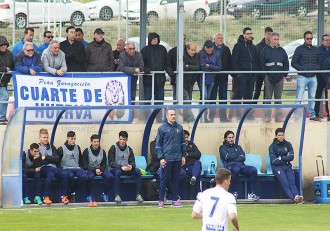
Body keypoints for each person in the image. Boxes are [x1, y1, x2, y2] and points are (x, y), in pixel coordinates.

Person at [156, 108, 186, 208]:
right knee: (164, 179)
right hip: (167, 158)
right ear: (167, 116)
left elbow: (182, 142)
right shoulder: (162, 128)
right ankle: (161, 200)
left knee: (175, 180)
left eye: (174, 114)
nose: (173, 116)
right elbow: (158, 145)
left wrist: (183, 155)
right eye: (171, 115)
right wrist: (161, 158)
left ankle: (175, 200)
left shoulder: (180, 128)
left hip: (177, 158)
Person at [219, 130, 259, 200]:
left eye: (232, 137)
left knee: (253, 170)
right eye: (229, 137)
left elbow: (243, 157)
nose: (231, 139)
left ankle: (251, 193)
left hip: (241, 165)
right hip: (230, 166)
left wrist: (233, 158)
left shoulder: (238, 147)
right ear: (225, 138)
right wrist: (237, 155)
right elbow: (226, 157)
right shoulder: (222, 148)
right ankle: (234, 193)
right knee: (236, 170)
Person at [259, 32, 289, 122]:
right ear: (270, 40)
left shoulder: (282, 51)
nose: (276, 41)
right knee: (267, 98)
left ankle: (278, 116)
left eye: (277, 39)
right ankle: (267, 116)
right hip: (269, 78)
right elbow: (261, 63)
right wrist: (265, 75)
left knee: (278, 98)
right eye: (274, 39)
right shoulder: (265, 50)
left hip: (279, 78)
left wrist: (284, 74)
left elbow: (286, 63)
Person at [269, 128, 304, 203]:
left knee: (292, 182)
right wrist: (286, 158)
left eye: (282, 135)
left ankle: (297, 196)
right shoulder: (272, 147)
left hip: (287, 166)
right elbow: (274, 161)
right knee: (285, 183)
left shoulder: (288, 144)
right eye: (279, 135)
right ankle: (293, 199)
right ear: (276, 136)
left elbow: (291, 157)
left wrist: (281, 158)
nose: (281, 137)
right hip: (277, 168)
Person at [292, 31, 321, 121]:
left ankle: (312, 115)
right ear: (304, 39)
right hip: (302, 77)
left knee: (312, 97)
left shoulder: (315, 49)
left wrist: (316, 70)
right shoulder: (299, 49)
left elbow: (319, 62)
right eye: (308, 39)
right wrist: (302, 69)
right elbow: (293, 62)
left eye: (311, 39)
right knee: (299, 97)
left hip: (313, 77)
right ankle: (296, 116)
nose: (309, 40)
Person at [108, 131, 143, 203]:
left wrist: (131, 166)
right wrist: (121, 167)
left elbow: (133, 162)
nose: (122, 141)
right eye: (120, 139)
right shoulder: (113, 148)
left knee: (137, 171)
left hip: (126, 169)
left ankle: (138, 195)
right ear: (118, 139)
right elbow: (111, 163)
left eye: (124, 139)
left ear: (127, 140)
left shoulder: (129, 149)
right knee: (117, 172)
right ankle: (117, 195)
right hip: (115, 169)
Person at [38, 128, 69, 205]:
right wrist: (50, 159)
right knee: (50, 174)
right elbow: (40, 161)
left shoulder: (52, 147)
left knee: (65, 173)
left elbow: (57, 159)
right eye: (44, 137)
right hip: (43, 168)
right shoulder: (37, 148)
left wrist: (46, 157)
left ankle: (63, 196)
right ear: (40, 138)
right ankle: (46, 197)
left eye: (47, 137)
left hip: (54, 167)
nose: (46, 139)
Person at [82, 134, 114, 206]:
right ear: (91, 142)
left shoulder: (103, 151)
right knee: (89, 177)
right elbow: (85, 165)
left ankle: (105, 193)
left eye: (97, 141)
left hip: (100, 169)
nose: (96, 143)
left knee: (110, 176)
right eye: (94, 142)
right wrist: (95, 169)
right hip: (91, 170)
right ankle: (88, 195)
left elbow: (104, 164)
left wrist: (100, 169)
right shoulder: (86, 151)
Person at [141, 32, 171, 104]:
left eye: (157, 39)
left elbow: (166, 62)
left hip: (160, 80)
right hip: (148, 79)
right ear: (150, 39)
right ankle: (147, 114)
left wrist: (169, 70)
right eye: (154, 39)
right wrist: (146, 69)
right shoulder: (145, 50)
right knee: (147, 99)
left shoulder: (162, 49)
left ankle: (159, 114)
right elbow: (141, 63)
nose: (155, 40)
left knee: (160, 100)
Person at [58, 131, 88, 203]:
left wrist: (82, 167)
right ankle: (70, 195)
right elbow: (57, 161)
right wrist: (60, 169)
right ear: (67, 138)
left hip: (76, 168)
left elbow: (80, 159)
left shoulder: (77, 147)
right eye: (72, 139)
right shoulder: (61, 148)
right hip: (66, 168)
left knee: (85, 177)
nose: (73, 140)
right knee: (70, 176)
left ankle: (72, 190)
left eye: (74, 139)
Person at [231, 27, 258, 104]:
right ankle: (235, 114)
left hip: (252, 75)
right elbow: (234, 61)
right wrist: (238, 74)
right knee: (238, 95)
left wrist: (255, 73)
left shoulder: (253, 46)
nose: (250, 35)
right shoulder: (238, 46)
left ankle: (247, 115)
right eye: (248, 34)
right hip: (241, 76)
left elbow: (256, 60)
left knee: (249, 96)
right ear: (244, 35)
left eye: (250, 33)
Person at [210, 32, 231, 122]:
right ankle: (211, 117)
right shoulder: (210, 49)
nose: (220, 40)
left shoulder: (226, 49)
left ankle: (223, 117)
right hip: (213, 77)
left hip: (223, 77)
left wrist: (228, 72)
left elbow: (230, 61)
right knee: (212, 97)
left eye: (222, 38)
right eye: (218, 38)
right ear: (214, 39)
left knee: (223, 97)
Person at [253, 27, 273, 102]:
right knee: (257, 91)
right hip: (259, 73)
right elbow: (255, 59)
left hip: (269, 73)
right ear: (265, 34)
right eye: (268, 34)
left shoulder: (272, 46)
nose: (270, 35)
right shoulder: (258, 46)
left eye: (271, 34)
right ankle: (252, 108)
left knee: (267, 92)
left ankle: (266, 109)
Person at [198, 39, 221, 103]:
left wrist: (209, 66)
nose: (210, 49)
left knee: (208, 97)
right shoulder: (201, 53)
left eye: (211, 47)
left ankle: (206, 112)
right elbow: (203, 67)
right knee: (204, 96)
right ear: (205, 47)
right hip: (202, 79)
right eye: (208, 48)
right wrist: (213, 67)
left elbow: (219, 67)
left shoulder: (217, 53)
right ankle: (202, 111)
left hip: (212, 78)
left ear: (213, 47)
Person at [182, 130, 201, 198]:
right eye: (185, 137)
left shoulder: (191, 144)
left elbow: (198, 154)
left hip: (193, 165)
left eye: (187, 137)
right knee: (197, 172)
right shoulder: (179, 146)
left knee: (198, 162)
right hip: (186, 166)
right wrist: (191, 155)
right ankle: (198, 192)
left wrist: (187, 154)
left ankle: (193, 177)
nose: (186, 139)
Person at [182, 42, 199, 122]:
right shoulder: (183, 55)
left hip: (191, 82)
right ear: (187, 49)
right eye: (192, 50)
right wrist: (191, 67)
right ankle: (190, 118)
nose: (193, 52)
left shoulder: (197, 56)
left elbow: (198, 67)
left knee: (189, 101)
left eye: (194, 50)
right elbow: (183, 67)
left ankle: (186, 118)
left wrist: (189, 66)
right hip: (182, 82)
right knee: (186, 100)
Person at [315, 34, 330, 119]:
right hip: (320, 76)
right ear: (322, 41)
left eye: (329, 40)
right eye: (326, 40)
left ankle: (328, 113)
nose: (328, 41)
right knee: (318, 95)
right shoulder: (318, 50)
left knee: (328, 96)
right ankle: (316, 113)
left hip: (328, 78)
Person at [0, 36, 14, 124]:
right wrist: (4, 69)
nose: (3, 46)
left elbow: (13, 65)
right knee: (5, 96)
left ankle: (1, 117)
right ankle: (1, 117)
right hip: (1, 81)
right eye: (1, 45)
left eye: (5, 44)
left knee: (4, 97)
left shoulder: (9, 54)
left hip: (4, 81)